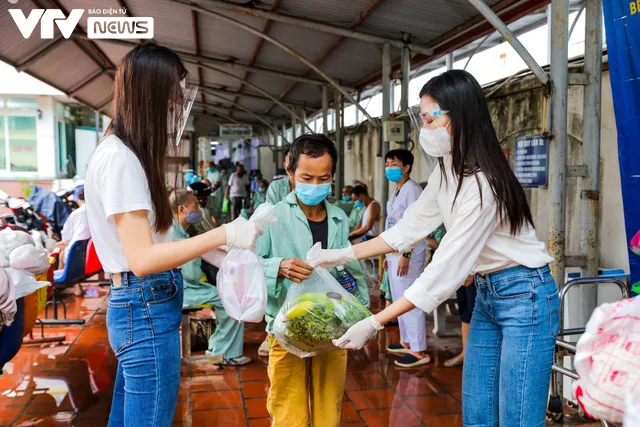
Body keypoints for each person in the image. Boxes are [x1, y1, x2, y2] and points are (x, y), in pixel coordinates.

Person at [307, 70, 558, 427]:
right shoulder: (447, 171)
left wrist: (376, 322)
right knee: (477, 414)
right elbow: (407, 229)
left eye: (430, 117)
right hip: (488, 293)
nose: (424, 127)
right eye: (421, 118)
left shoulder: (484, 182)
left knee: (517, 418)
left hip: (524, 296)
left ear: (460, 115)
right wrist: (340, 255)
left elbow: (446, 268)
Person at [84, 42, 260, 427]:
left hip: (142, 303)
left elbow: (155, 240)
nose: (177, 108)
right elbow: (143, 260)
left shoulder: (124, 153)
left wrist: (223, 255)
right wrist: (222, 234)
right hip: (144, 304)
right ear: (152, 95)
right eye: (173, 97)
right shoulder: (120, 159)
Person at [256, 133, 369, 426]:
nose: (315, 186)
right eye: (307, 177)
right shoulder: (271, 216)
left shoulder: (339, 218)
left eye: (324, 178)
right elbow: (248, 265)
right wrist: (278, 266)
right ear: (289, 170)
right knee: (287, 407)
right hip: (286, 328)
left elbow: (351, 268)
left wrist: (363, 315)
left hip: (332, 328)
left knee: (328, 403)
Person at [169, 190, 251, 366]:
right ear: (182, 210)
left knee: (227, 294)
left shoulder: (178, 230)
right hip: (180, 289)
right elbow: (191, 274)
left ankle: (221, 348)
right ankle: (225, 352)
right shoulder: (174, 233)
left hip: (184, 286)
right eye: (195, 206)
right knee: (232, 298)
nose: (199, 210)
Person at [382, 149, 429, 367]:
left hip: (408, 254)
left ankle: (419, 350)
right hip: (394, 252)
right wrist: (385, 253)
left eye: (394, 164)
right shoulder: (397, 191)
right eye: (388, 164)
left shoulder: (412, 190)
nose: (389, 168)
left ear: (407, 167)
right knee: (400, 298)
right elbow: (392, 222)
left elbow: (418, 226)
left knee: (410, 298)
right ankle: (406, 340)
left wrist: (406, 254)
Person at [56, 186, 91, 296]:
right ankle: (76, 286)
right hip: (90, 249)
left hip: (77, 251)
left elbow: (66, 235)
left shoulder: (76, 214)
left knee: (60, 250)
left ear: (77, 199)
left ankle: (56, 285)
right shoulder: (96, 212)